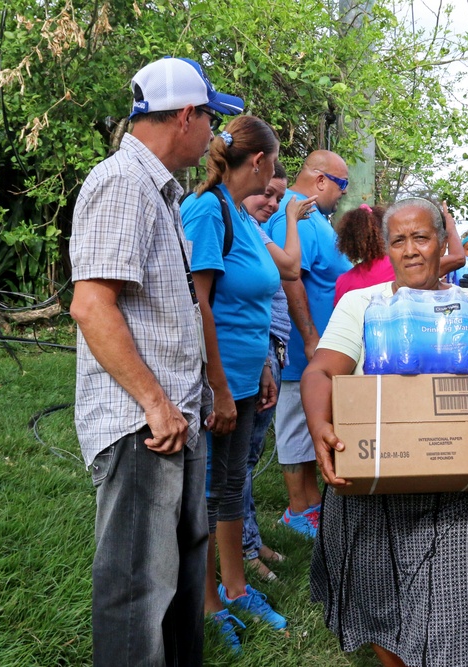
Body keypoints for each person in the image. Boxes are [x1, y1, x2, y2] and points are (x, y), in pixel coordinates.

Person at [302, 197, 468, 667]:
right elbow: (321, 373)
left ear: (440, 243)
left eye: (421, 237)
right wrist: (320, 426)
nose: (411, 250)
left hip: (453, 490)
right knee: (380, 611)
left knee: (450, 622)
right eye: (399, 240)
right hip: (371, 488)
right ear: (386, 249)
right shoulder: (363, 304)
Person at [69, 56, 242, 666]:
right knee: (137, 590)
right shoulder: (121, 182)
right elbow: (91, 305)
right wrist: (155, 403)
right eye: (211, 121)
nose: (215, 136)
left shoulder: (157, 190)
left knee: (176, 586)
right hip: (145, 427)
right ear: (186, 116)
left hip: (174, 420)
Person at [180, 115, 287, 651]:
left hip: (248, 375)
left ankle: (237, 587)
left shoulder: (247, 220)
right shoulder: (208, 210)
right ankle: (206, 601)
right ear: (261, 161)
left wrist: (263, 366)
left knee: (229, 489)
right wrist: (218, 385)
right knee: (204, 492)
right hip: (215, 381)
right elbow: (197, 302)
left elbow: (253, 303)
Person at [265, 150, 352, 538]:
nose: (343, 194)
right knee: (295, 424)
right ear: (321, 181)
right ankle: (298, 511)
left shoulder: (314, 217)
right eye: (342, 184)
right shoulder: (293, 213)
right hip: (303, 351)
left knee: (306, 423)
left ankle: (312, 504)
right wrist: (310, 336)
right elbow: (291, 277)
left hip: (318, 350)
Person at [238, 161, 316, 581]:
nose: (271, 202)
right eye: (265, 193)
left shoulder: (255, 229)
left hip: (271, 349)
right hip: (255, 348)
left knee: (247, 458)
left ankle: (250, 541)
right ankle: (243, 549)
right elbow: (290, 268)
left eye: (278, 196)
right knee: (239, 460)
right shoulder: (238, 225)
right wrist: (289, 217)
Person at [334, 201, 465, 305]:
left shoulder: (343, 281)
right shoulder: (403, 264)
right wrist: (450, 225)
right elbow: (458, 258)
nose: (409, 251)